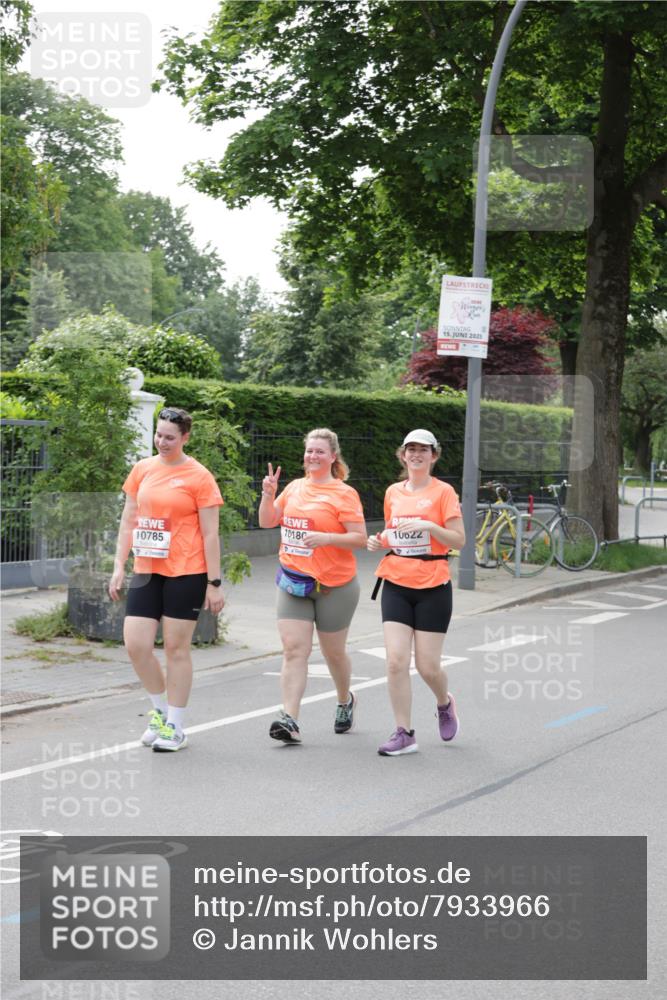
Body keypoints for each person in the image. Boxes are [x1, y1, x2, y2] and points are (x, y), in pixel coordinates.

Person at [108, 407, 225, 752]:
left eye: (170, 437)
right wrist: (118, 565)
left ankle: (176, 725)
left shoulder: (199, 476)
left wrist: (214, 583)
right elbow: (128, 519)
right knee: (136, 645)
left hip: (186, 571)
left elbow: (211, 534)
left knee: (176, 648)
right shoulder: (142, 470)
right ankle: (159, 713)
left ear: (186, 437)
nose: (162, 442)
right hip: (146, 569)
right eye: (158, 435)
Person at [259, 428, 367, 743]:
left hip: (335, 585)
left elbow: (359, 538)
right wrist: (268, 494)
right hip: (294, 580)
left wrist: (327, 538)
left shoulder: (344, 493)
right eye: (309, 451)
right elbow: (268, 521)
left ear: (333, 457)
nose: (313, 457)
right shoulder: (293, 487)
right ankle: (289, 718)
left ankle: (345, 699)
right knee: (295, 650)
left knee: (334, 653)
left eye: (320, 451)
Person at [367, 429, 465, 756]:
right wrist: (377, 540)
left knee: (427, 667)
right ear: (403, 454)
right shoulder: (393, 491)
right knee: (395, 660)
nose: (416, 455)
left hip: (433, 585)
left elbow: (458, 540)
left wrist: (430, 527)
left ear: (434, 455)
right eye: (411, 449)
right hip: (395, 581)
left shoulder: (444, 492)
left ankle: (443, 702)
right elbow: (394, 533)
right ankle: (404, 732)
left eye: (423, 450)